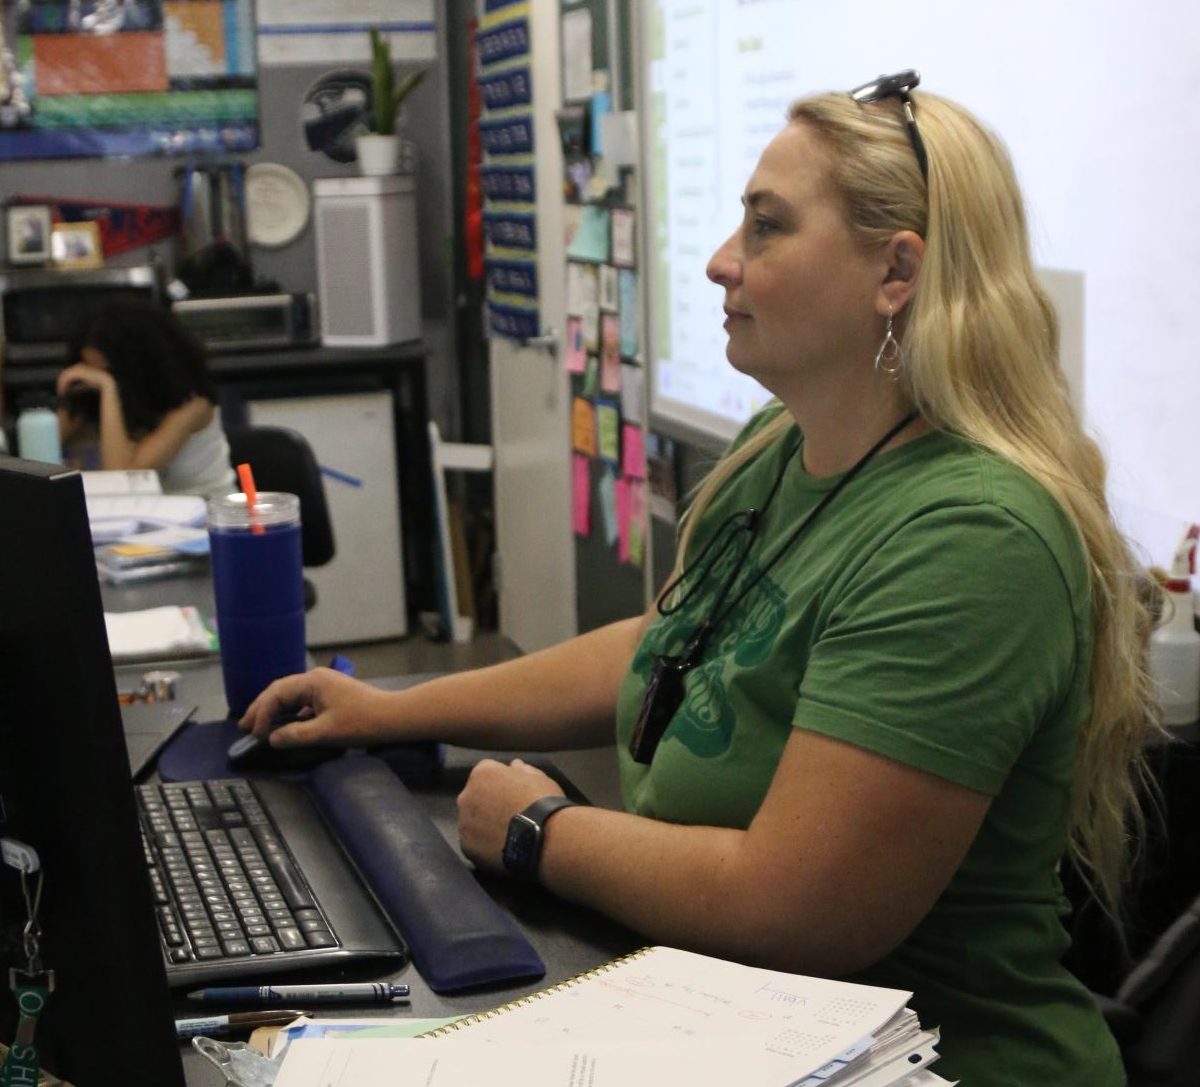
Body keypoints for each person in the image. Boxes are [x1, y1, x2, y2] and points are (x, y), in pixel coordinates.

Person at [240, 72, 1153, 1085]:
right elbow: (662, 645)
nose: (724, 262)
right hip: (732, 1022)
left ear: (897, 271)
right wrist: (392, 709)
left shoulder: (972, 538)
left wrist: (543, 830)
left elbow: (796, 907)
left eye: (767, 229)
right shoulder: (784, 446)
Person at [56, 298, 235, 497]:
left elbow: (122, 478)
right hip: (136, 515)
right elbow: (36, 458)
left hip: (204, 513)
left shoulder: (193, 405)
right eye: (91, 371)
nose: (94, 378)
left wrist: (108, 388)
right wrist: (67, 397)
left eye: (110, 372)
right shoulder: (94, 394)